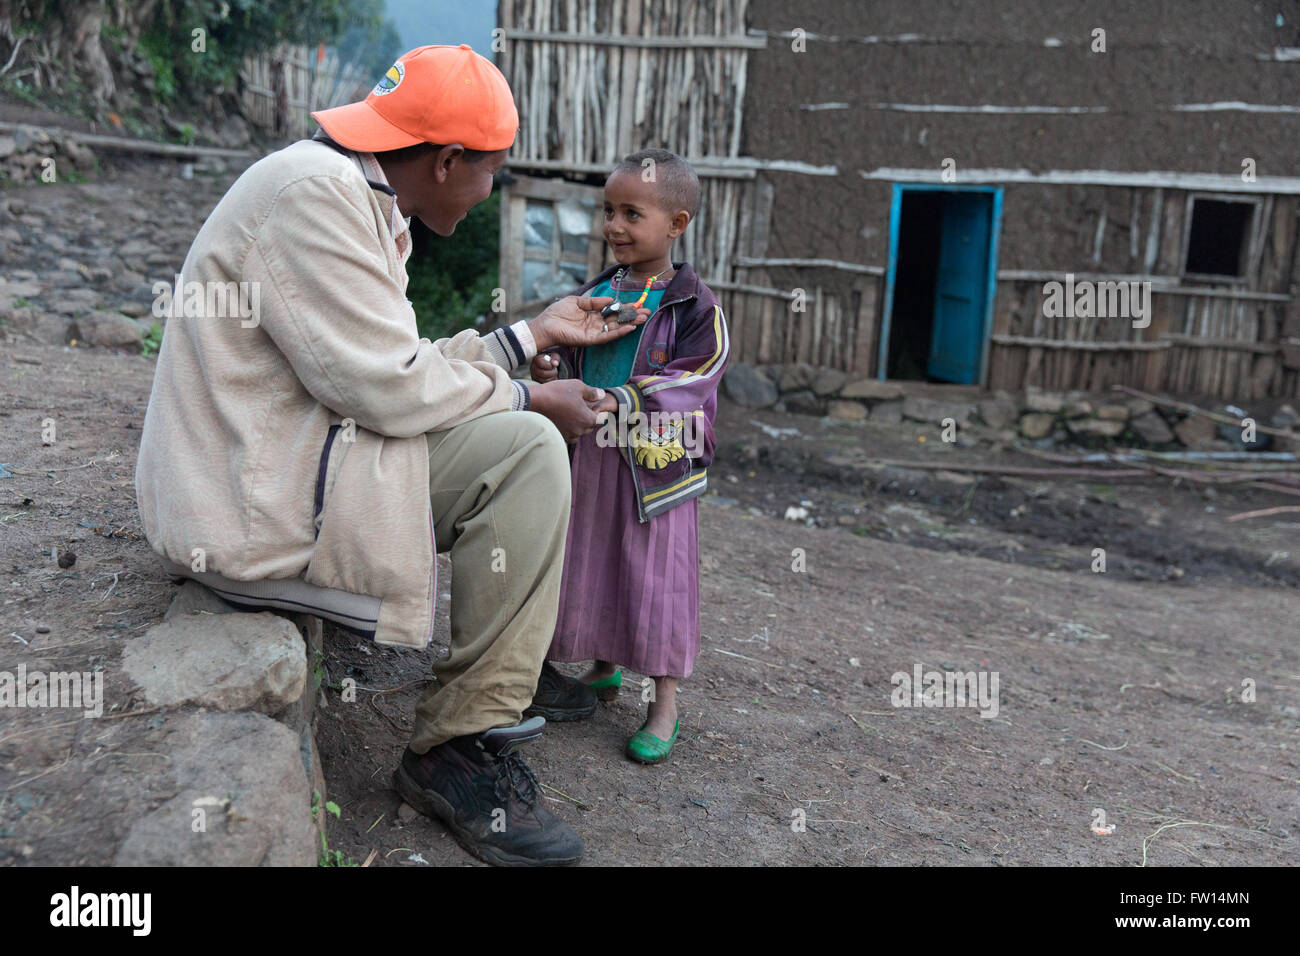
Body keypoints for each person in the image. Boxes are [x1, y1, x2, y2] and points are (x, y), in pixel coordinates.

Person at [134, 45, 645, 866]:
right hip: (247, 506)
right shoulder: (317, 199)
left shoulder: (347, 189)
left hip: (275, 463)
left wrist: (522, 340)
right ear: (447, 161)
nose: (488, 196)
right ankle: (457, 744)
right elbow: (387, 386)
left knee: (514, 431)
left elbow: (377, 364)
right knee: (524, 451)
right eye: (493, 175)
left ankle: (503, 670)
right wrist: (526, 396)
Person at [525, 149, 730, 763]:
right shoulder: (596, 292)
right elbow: (574, 351)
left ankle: (663, 702)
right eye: (608, 211)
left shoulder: (696, 307)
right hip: (593, 455)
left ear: (677, 224)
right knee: (595, 561)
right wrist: (551, 364)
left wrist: (627, 396)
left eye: (631, 213)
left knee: (656, 577)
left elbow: (700, 376)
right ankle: (603, 666)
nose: (613, 225)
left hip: (657, 464)